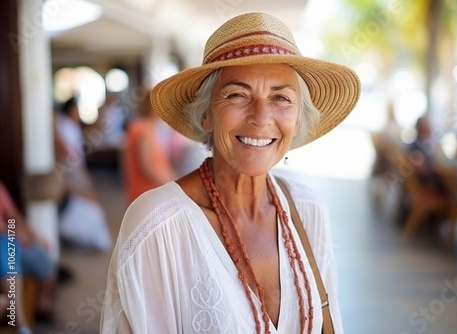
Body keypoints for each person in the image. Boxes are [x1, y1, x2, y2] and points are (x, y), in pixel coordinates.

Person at [101, 12, 360, 334]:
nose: (261, 117)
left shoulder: (309, 209)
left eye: (281, 98)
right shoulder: (158, 223)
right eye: (237, 94)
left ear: (297, 122)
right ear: (207, 115)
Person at [54, 97, 112, 252]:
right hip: (72, 169)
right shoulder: (62, 126)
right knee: (86, 201)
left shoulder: (70, 125)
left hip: (75, 168)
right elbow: (67, 152)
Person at [0, 181, 58, 334]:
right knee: (10, 257)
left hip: (11, 238)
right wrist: (15, 233)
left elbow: (13, 215)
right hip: (6, 241)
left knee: (46, 261)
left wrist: (35, 235)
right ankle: (21, 326)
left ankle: (41, 308)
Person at [122, 90, 175, 204]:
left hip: (152, 193)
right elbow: (147, 168)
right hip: (148, 195)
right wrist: (174, 183)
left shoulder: (146, 128)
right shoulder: (142, 129)